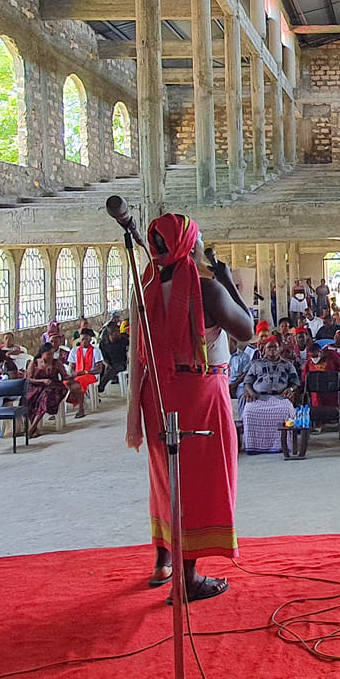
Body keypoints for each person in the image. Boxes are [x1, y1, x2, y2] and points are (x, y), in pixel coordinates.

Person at [126, 213, 254, 602]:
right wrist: (228, 280)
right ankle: (188, 579)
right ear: (187, 246)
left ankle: (163, 560)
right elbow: (247, 330)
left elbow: (137, 352)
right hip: (199, 393)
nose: (200, 247)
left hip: (158, 392)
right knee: (197, 483)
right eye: (197, 241)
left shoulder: (145, 288)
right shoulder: (207, 289)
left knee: (166, 478)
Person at [239, 338, 298, 455]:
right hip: (259, 397)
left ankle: (283, 445)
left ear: (280, 349)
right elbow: (247, 382)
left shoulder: (287, 364)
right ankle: (253, 446)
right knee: (249, 411)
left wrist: (290, 389)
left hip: (280, 397)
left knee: (286, 410)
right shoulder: (256, 364)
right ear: (264, 350)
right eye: (269, 348)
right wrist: (251, 393)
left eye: (274, 347)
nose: (272, 350)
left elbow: (295, 382)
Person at [24, 346, 70, 426]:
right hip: (36, 386)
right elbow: (28, 379)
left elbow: (64, 376)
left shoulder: (56, 362)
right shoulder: (34, 363)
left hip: (53, 386)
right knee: (28, 399)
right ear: (42, 354)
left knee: (45, 397)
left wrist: (73, 376)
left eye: (52, 354)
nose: (51, 356)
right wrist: (42, 381)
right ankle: (32, 425)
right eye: (49, 354)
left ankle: (33, 426)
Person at [97, 315, 129, 395]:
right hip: (109, 363)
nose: (119, 334)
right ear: (110, 334)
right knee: (103, 368)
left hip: (122, 363)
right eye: (116, 333)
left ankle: (101, 387)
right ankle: (97, 387)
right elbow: (102, 356)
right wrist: (106, 364)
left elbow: (129, 349)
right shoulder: (103, 343)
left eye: (118, 332)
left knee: (113, 368)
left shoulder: (123, 340)